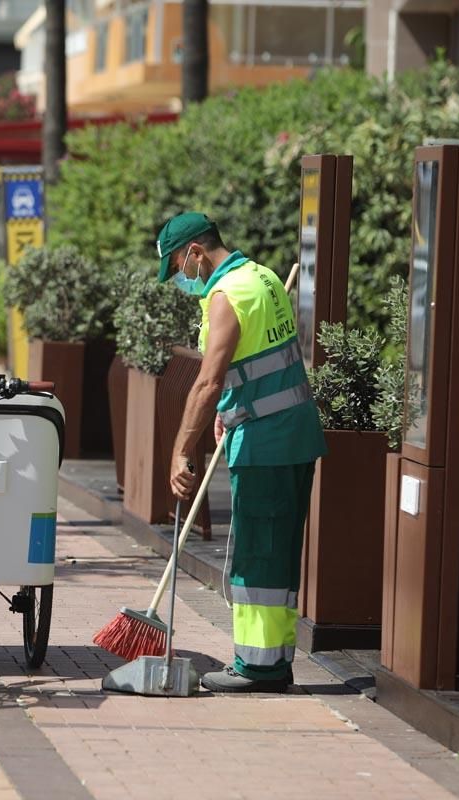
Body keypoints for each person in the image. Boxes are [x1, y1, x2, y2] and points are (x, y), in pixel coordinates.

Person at [156, 212, 326, 693]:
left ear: (194, 252)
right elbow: (257, 364)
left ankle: (258, 667)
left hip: (267, 443)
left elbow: (208, 380)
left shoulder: (228, 296)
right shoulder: (264, 278)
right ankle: (273, 660)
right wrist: (231, 406)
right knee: (276, 552)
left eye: (178, 267)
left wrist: (180, 450)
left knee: (259, 556)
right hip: (290, 433)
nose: (181, 279)